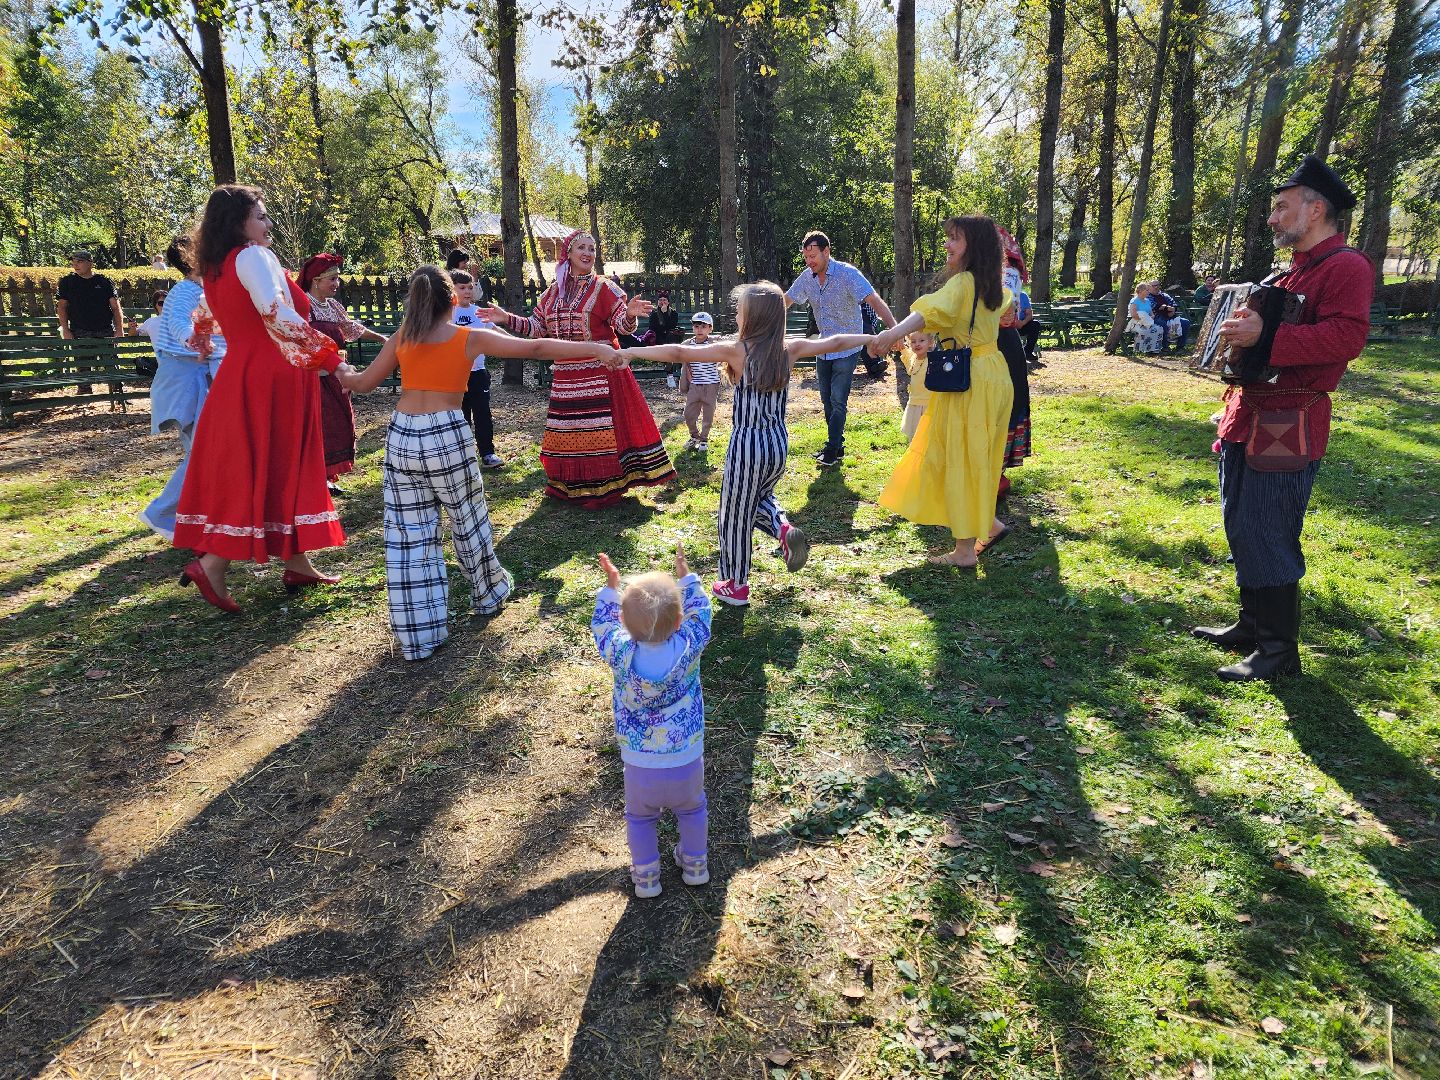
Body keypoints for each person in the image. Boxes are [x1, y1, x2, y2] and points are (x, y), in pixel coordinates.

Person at [341, 265, 618, 659]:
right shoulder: (467, 338)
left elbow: (363, 383)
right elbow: (537, 348)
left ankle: (418, 637)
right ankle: (488, 594)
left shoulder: (403, 337)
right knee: (467, 519)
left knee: (408, 539)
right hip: (446, 434)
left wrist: (340, 370)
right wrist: (597, 348)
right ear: (452, 299)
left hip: (402, 435)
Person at [1192, 155, 1373, 682]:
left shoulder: (1346, 267)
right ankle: (1251, 626)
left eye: (1281, 207)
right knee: (1241, 523)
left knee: (1268, 529)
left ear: (1315, 209)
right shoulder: (1288, 270)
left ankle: (1277, 652)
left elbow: (1347, 338)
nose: (1272, 218)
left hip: (1290, 421)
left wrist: (1264, 336)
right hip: (1248, 417)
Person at [620, 281, 872, 605]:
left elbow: (680, 352)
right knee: (760, 498)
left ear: (752, 318)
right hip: (778, 443)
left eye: (740, 312)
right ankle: (783, 530)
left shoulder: (738, 350)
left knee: (734, 514)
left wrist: (631, 352)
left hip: (747, 445)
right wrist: (875, 338)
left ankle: (735, 585)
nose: (736, 317)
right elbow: (835, 341)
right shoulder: (789, 348)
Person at [172, 185, 357, 614]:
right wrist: (332, 360)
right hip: (275, 376)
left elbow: (203, 316)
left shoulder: (218, 266)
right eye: (262, 216)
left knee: (270, 464)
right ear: (239, 222)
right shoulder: (255, 257)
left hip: (243, 373)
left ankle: (298, 563)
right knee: (277, 464)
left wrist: (201, 342)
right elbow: (278, 314)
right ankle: (214, 563)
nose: (268, 224)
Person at [483, 230, 675, 507]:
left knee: (599, 431)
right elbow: (538, 329)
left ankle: (604, 485)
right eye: (582, 248)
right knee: (570, 431)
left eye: (592, 249)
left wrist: (630, 313)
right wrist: (506, 318)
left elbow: (621, 325)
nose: (588, 253)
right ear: (568, 254)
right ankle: (571, 484)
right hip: (566, 375)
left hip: (601, 371)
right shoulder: (553, 293)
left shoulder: (604, 287)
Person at [868, 215, 1014, 569]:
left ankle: (965, 551)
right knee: (974, 456)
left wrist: (889, 335)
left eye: (955, 239)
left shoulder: (964, 282)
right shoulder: (989, 283)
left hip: (970, 379)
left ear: (973, 247)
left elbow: (927, 313)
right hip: (992, 373)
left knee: (962, 457)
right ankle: (989, 525)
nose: (947, 244)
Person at [593, 543, 713, 898]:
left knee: (641, 819)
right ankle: (695, 865)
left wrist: (611, 589)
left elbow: (602, 626)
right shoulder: (690, 644)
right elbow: (702, 613)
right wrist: (687, 580)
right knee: (693, 810)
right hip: (686, 759)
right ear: (678, 622)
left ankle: (646, 878)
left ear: (624, 626)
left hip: (640, 763)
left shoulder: (619, 650)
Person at [138, 238, 226, 542]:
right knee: (201, 451)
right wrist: (195, 337)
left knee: (206, 450)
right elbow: (176, 323)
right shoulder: (185, 292)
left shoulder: (204, 290)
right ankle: (164, 515)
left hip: (196, 374)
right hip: (183, 377)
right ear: (193, 259)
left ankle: (195, 518)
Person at [783, 231, 896, 467]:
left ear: (826, 251)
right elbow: (787, 300)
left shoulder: (847, 274)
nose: (809, 261)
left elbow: (874, 300)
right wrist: (763, 323)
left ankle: (832, 449)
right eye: (806, 257)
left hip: (848, 347)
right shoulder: (807, 277)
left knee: (837, 399)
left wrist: (895, 330)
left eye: (813, 255)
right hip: (823, 347)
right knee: (826, 399)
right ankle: (838, 444)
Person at [299, 253, 388, 492]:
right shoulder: (303, 306)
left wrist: (381, 339)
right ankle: (313, 477)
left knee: (338, 425)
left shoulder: (334, 307)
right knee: (318, 426)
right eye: (332, 279)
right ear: (316, 280)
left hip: (337, 378)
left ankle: (327, 477)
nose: (337, 284)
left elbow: (351, 329)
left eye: (338, 279)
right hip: (313, 379)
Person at [451, 270, 503, 469]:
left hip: (478, 373)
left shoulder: (478, 312)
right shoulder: (446, 314)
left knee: (482, 414)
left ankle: (488, 454)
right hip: (454, 376)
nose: (467, 292)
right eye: (462, 288)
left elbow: (496, 332)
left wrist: (518, 343)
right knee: (459, 417)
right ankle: (461, 457)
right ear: (451, 288)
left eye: (470, 287)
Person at [56, 249, 124, 394]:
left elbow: (115, 307)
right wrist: (65, 329)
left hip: (105, 329)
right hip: (80, 329)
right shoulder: (67, 282)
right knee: (83, 364)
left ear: (90, 263)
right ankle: (85, 395)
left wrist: (119, 329)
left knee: (111, 362)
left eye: (79, 261)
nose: (75, 265)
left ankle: (118, 393)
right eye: (73, 261)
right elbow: (61, 307)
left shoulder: (104, 281)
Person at [679, 311, 721, 452]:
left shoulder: (715, 343)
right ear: (693, 328)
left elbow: (729, 345)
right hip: (695, 384)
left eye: (704, 326)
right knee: (689, 414)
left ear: (710, 329)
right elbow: (677, 354)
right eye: (696, 326)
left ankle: (704, 439)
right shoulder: (687, 344)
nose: (700, 329)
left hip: (711, 384)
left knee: (708, 413)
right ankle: (694, 436)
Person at [898, 330, 935, 442]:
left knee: (930, 435)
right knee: (915, 435)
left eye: (922, 340)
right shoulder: (913, 360)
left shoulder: (933, 360)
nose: (917, 344)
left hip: (930, 404)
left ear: (930, 342)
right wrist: (901, 347)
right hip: (914, 404)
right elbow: (906, 356)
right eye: (913, 341)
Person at [647, 292, 683, 387]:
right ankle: (670, 374)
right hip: (658, 339)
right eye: (660, 300)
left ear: (668, 302)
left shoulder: (674, 313)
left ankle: (670, 370)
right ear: (658, 302)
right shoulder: (654, 314)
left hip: (670, 339)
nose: (662, 302)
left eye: (664, 300)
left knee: (670, 337)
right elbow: (653, 328)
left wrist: (665, 315)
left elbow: (671, 326)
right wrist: (662, 316)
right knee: (665, 343)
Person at [1149, 281, 1191, 352]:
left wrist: (1171, 309)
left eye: (1157, 285)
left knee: (1185, 322)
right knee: (1162, 324)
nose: (1156, 287)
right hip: (1156, 317)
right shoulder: (1148, 296)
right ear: (1149, 287)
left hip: (1170, 316)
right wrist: (1167, 308)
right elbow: (1154, 306)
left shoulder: (1165, 295)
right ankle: (1165, 347)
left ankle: (1180, 347)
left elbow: (1174, 304)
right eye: (1153, 285)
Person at [1125, 283, 1164, 355]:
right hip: (1136, 323)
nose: (1148, 292)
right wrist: (1143, 320)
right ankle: (1140, 350)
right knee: (1144, 330)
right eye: (1147, 290)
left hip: (1147, 322)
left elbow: (1151, 313)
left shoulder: (1147, 301)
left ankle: (1153, 350)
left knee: (1158, 329)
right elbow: (1133, 315)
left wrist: (1151, 316)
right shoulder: (1134, 301)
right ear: (1141, 291)